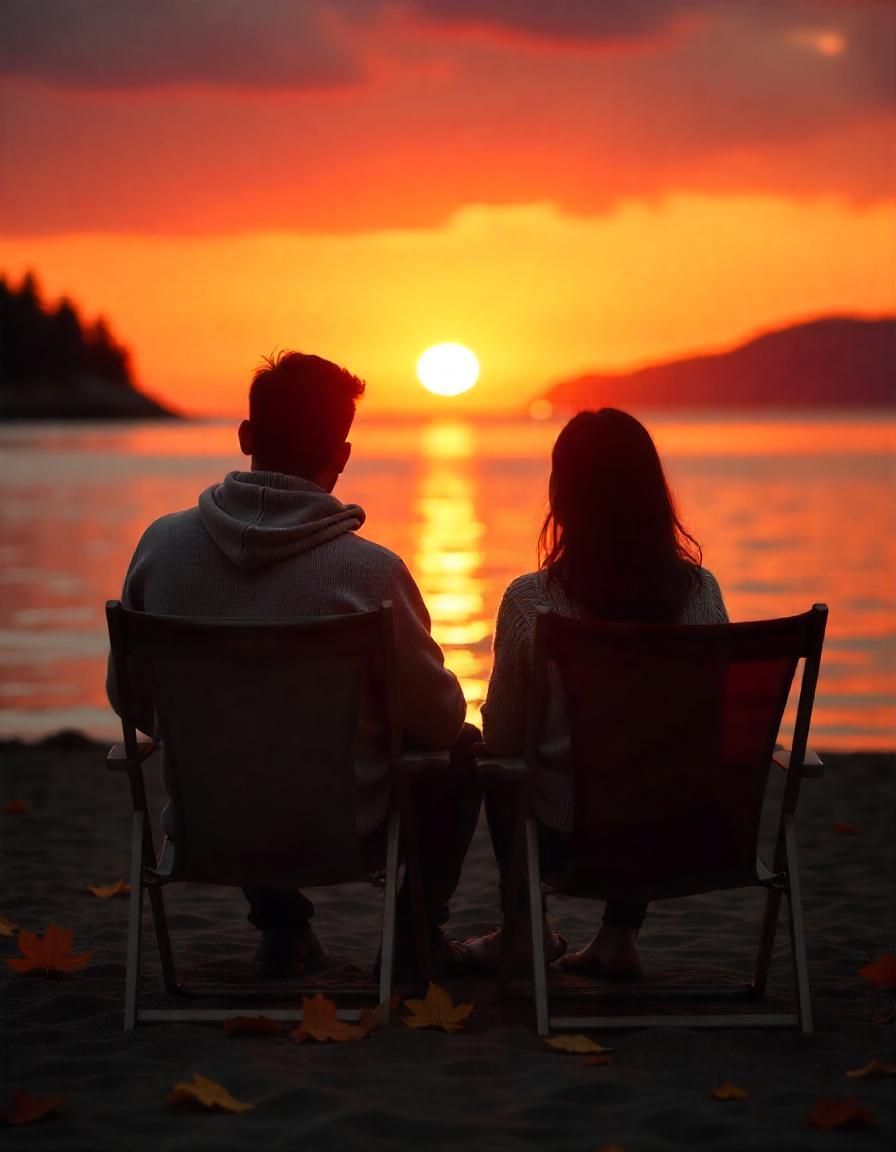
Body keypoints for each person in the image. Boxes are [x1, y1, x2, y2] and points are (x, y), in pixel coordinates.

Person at [107, 351, 480, 977]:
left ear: (247, 438)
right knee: (464, 750)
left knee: (236, 739)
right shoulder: (372, 574)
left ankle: (283, 929)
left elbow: (131, 700)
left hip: (209, 825)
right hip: (344, 830)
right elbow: (439, 721)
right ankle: (417, 939)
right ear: (342, 454)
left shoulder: (160, 549)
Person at [467, 408, 728, 978]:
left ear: (562, 497)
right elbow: (714, 723)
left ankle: (523, 930)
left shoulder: (533, 603)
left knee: (494, 758)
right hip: (686, 841)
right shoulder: (701, 594)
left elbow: (506, 735)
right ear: (654, 493)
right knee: (653, 764)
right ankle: (618, 938)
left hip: (571, 844)